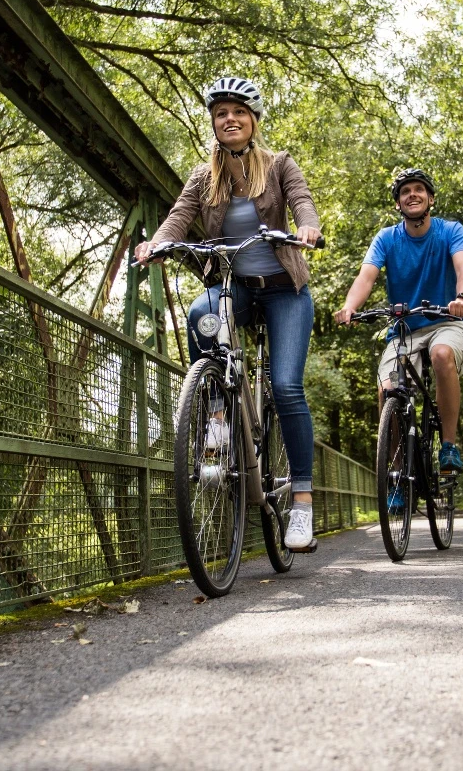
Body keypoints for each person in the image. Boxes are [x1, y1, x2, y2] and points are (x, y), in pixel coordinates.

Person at [135, 76, 323, 551]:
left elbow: (302, 201)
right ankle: (218, 413)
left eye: (239, 112)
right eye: (221, 113)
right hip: (234, 287)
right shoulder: (205, 176)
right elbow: (180, 215)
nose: (230, 119)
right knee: (203, 312)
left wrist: (308, 227)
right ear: (214, 123)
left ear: (253, 120)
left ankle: (301, 501)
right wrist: (157, 243)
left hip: (284, 290)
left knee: (284, 385)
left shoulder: (279, 165)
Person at [333, 168, 463, 475]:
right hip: (405, 328)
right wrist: (349, 307)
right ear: (398, 203)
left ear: (431, 199)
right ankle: (397, 469)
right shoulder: (387, 238)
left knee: (441, 354)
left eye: (419, 190)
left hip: (446, 321)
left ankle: (448, 446)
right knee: (387, 389)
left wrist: (462, 297)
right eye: (405, 191)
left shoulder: (451, 231)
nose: (412, 194)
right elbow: (366, 276)